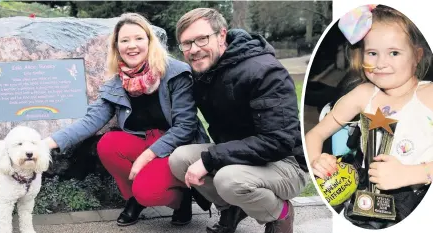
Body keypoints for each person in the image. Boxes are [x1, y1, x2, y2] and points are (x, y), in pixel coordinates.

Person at [43, 12, 210, 227]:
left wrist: (147, 157)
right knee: (108, 145)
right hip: (142, 140)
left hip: (174, 146)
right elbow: (91, 120)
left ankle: (181, 200)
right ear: (116, 47)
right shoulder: (116, 84)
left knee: (149, 192)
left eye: (139, 38)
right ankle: (135, 198)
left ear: (150, 41)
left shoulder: (176, 73)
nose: (132, 45)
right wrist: (45, 144)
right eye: (124, 40)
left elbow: (185, 126)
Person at [169, 8, 309, 233]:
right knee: (179, 159)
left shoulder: (265, 72)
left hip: (286, 162)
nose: (194, 50)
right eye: (186, 43)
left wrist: (210, 159)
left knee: (228, 179)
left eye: (202, 39)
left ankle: (281, 214)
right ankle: (231, 209)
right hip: (241, 154)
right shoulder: (204, 73)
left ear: (221, 35)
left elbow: (278, 141)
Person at [305, 4, 433, 229]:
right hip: (366, 202)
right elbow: (315, 133)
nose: (381, 63)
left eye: (394, 53)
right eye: (372, 53)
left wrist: (412, 173)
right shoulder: (363, 94)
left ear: (417, 56)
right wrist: (316, 161)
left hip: (424, 199)